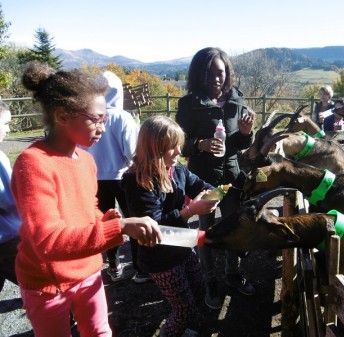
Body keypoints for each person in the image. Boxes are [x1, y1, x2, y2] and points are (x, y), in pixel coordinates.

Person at [11, 61, 161, 337]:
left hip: (89, 270)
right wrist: (120, 228)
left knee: (100, 331)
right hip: (48, 282)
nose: (103, 127)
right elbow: (48, 241)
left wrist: (108, 219)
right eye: (96, 119)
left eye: (105, 118)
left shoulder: (86, 160)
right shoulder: (33, 164)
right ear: (62, 116)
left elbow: (87, 209)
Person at [121, 116, 218, 337]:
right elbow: (154, 227)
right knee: (184, 310)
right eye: (171, 147)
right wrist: (191, 210)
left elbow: (201, 185)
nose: (178, 152)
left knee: (198, 288)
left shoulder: (177, 169)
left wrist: (215, 195)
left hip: (182, 243)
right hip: (159, 257)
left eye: (179, 145)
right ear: (154, 147)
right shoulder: (137, 181)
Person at [175, 47, 256, 311]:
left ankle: (232, 274)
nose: (215, 78)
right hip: (203, 180)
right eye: (208, 73)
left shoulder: (237, 100)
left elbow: (240, 144)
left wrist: (246, 133)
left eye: (219, 73)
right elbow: (180, 143)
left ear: (227, 73)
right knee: (205, 230)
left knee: (235, 227)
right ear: (198, 75)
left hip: (232, 179)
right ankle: (209, 279)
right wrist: (200, 144)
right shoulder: (188, 104)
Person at [83, 71, 146, 283]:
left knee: (105, 223)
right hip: (122, 177)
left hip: (95, 178)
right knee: (132, 220)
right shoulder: (122, 117)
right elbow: (132, 151)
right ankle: (140, 267)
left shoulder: (89, 116)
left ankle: (114, 265)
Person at [0, 101, 21, 292]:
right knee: (39, 281)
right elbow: (7, 198)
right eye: (5, 124)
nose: (8, 129)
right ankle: (66, 320)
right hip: (7, 237)